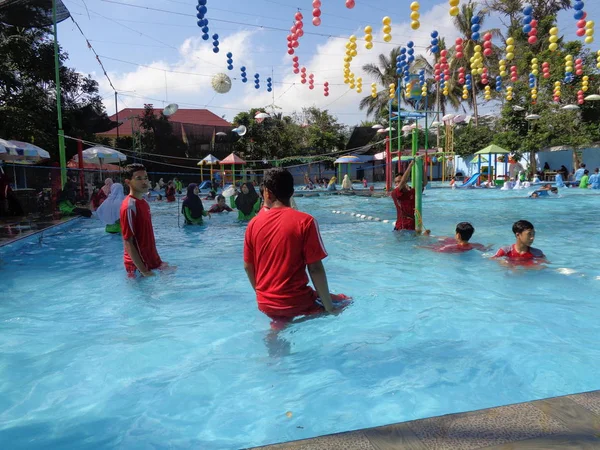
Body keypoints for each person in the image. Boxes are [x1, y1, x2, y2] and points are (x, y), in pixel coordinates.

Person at [243, 168, 350, 329]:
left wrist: (262, 295)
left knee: (282, 315)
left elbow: (247, 266)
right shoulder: (305, 221)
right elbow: (315, 268)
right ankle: (290, 323)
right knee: (345, 301)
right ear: (292, 192)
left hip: (265, 302)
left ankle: (278, 327)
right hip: (295, 301)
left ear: (267, 193)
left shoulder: (253, 224)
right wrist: (329, 308)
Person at [120, 163, 171, 277]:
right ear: (128, 182)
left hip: (152, 262)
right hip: (138, 268)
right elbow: (128, 241)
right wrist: (144, 271)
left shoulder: (144, 203)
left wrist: (157, 261)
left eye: (146, 178)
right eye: (138, 179)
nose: (144, 182)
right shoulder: (129, 206)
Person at [421, 222, 488, 253]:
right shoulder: (477, 245)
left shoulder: (448, 247)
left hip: (450, 244)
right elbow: (486, 248)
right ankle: (429, 236)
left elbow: (436, 250)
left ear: (458, 235)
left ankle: (428, 236)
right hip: (463, 246)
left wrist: (418, 246)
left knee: (443, 240)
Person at [391, 160, 416, 231]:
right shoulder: (395, 193)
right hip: (401, 227)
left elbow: (425, 183)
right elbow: (403, 182)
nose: (397, 183)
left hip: (412, 225)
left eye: (399, 181)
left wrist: (421, 166)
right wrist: (410, 166)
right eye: (396, 182)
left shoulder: (412, 191)